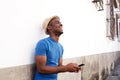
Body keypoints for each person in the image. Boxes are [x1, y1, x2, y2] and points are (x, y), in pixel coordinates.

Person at [34, 15, 81, 80]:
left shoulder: (60, 47)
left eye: (60, 23)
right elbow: (41, 69)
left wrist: (71, 67)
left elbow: (59, 67)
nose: (61, 24)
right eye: (57, 22)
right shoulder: (43, 44)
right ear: (49, 27)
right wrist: (66, 68)